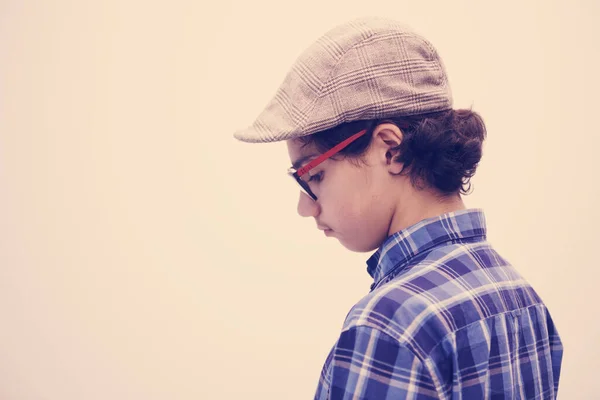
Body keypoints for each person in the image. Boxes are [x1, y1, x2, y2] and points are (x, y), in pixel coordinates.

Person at [233, 17, 563, 399]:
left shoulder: (390, 325)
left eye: (315, 176)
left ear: (391, 149)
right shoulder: (520, 297)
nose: (305, 208)